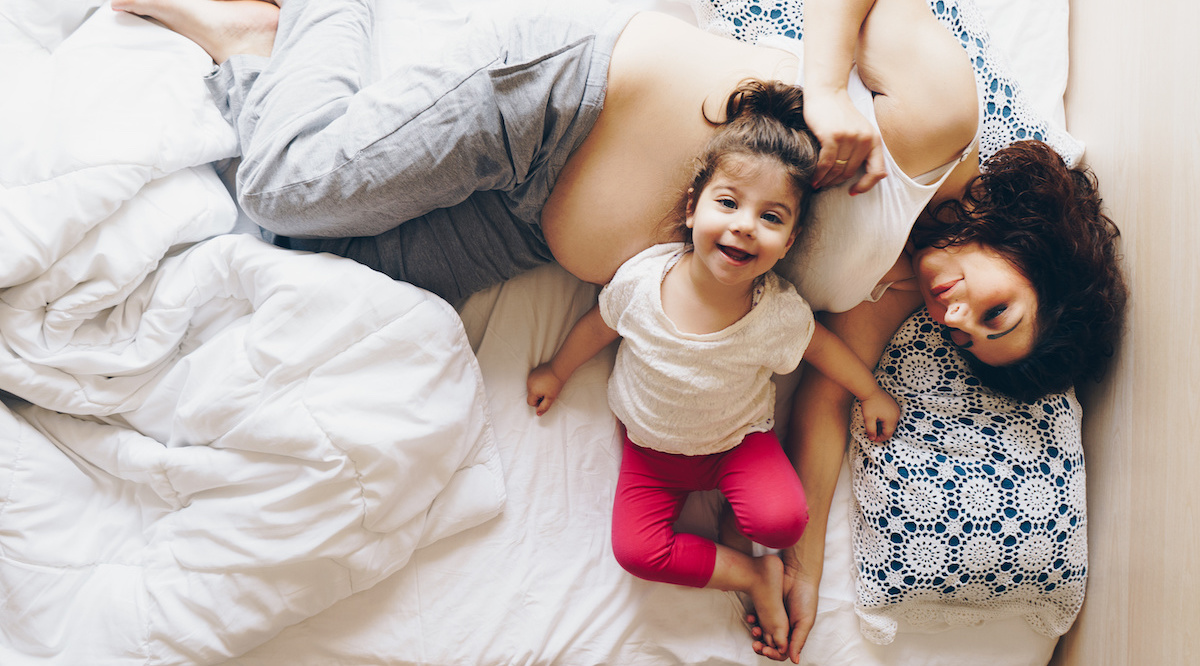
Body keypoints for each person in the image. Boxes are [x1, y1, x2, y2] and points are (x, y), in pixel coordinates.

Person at [111, 0, 1126, 659]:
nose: (951, 318)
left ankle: (258, 66)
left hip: (534, 228)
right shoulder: (939, 122)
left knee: (295, 252)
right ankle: (277, 24)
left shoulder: (899, 287)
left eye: (968, 339)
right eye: (993, 309)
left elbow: (822, 397)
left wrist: (799, 566)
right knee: (296, 181)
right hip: (564, 101)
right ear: (1030, 245)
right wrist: (823, 86)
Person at [524, 80, 900, 650]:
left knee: (784, 522)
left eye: (770, 218)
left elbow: (822, 349)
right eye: (728, 203)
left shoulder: (773, 312)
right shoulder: (644, 281)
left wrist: (870, 392)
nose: (745, 225)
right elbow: (599, 327)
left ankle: (752, 537)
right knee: (637, 553)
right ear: (691, 207)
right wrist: (556, 370)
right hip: (651, 451)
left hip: (737, 445)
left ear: (790, 239)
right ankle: (753, 572)